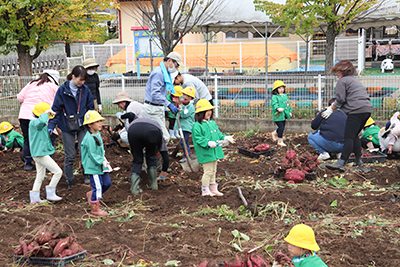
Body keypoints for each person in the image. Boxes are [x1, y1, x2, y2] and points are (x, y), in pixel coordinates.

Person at [48, 65, 95, 187]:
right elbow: (56, 109)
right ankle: (70, 181)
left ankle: (86, 175)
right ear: (73, 76)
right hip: (66, 125)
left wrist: (92, 123)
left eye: (84, 80)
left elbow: (90, 108)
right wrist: (51, 126)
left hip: (82, 125)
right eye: (80, 79)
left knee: (84, 151)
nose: (82, 82)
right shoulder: (62, 90)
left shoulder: (85, 90)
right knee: (69, 155)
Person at [325, 61, 373, 172]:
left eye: (338, 71)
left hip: (356, 111)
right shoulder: (354, 81)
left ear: (344, 71)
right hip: (366, 109)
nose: (337, 73)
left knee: (348, 137)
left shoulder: (342, 81)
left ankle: (342, 162)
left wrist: (331, 109)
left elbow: (341, 99)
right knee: (355, 135)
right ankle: (358, 159)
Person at [17, 69, 60, 171]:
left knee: (28, 138)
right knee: (46, 138)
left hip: (25, 114)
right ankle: (47, 165)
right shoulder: (54, 87)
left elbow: (20, 97)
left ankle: (28, 163)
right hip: (42, 115)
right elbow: (58, 102)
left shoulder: (31, 83)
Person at [191, 99, 235, 197]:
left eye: (210, 110)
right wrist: (208, 143)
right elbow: (199, 139)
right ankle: (205, 190)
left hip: (214, 152)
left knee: (214, 171)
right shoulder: (197, 126)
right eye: (206, 111)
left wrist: (225, 137)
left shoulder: (212, 123)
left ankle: (213, 189)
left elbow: (218, 134)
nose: (209, 112)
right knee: (208, 171)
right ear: (201, 113)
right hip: (205, 152)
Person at [142, 51, 183, 143]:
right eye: (176, 65)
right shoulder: (159, 73)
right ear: (169, 61)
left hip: (156, 108)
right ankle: (151, 156)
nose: (176, 68)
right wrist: (168, 104)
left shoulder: (164, 73)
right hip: (152, 109)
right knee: (164, 137)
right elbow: (155, 93)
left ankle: (151, 155)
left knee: (156, 137)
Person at [28, 102, 63, 204]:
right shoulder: (34, 123)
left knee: (40, 174)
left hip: (38, 153)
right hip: (40, 154)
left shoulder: (36, 122)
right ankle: (51, 193)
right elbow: (41, 123)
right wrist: (45, 114)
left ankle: (34, 199)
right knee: (58, 172)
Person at [128, 116, 168, 195]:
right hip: (152, 132)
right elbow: (165, 156)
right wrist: (164, 171)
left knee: (137, 160)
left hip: (133, 131)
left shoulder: (133, 123)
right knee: (151, 155)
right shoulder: (159, 131)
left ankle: (134, 189)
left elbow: (134, 152)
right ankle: (154, 185)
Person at [81, 110, 111, 216]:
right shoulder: (89, 138)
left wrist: (105, 161)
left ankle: (92, 194)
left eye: (100, 121)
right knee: (98, 187)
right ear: (89, 124)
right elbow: (93, 154)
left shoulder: (97, 134)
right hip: (93, 166)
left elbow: (100, 151)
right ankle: (95, 210)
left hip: (100, 164)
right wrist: (102, 161)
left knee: (107, 183)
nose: (100, 124)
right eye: (97, 122)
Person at [175, 86, 196, 162]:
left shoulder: (189, 106)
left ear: (190, 97)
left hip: (187, 127)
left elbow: (184, 115)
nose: (183, 96)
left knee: (184, 141)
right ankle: (187, 155)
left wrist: (180, 108)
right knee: (183, 141)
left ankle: (187, 155)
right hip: (183, 127)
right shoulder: (185, 105)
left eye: (185, 95)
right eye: (183, 94)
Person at [271, 80, 292, 147]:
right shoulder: (275, 97)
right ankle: (280, 141)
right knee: (281, 127)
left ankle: (274, 133)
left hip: (284, 114)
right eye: (279, 88)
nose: (281, 89)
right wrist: (278, 108)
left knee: (282, 127)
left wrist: (289, 111)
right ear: (276, 89)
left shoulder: (285, 96)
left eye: (282, 88)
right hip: (278, 115)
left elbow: (288, 104)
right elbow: (274, 104)